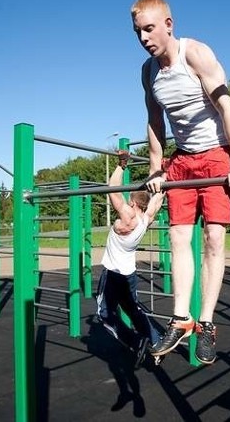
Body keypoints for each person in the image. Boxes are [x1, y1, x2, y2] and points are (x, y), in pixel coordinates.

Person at [131, 0, 230, 364]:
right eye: (138, 31)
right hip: (182, 161)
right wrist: (156, 170)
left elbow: (227, 108)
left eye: (150, 28)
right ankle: (181, 318)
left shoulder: (195, 54)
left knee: (214, 238)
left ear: (169, 24)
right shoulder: (148, 72)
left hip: (216, 155)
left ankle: (207, 323)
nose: (144, 37)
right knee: (177, 235)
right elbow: (155, 123)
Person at [96, 150, 164, 368]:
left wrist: (122, 165)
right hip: (129, 274)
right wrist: (165, 175)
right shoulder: (147, 218)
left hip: (113, 274)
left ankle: (137, 342)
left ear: (133, 202)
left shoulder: (129, 217)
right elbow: (158, 198)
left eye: (130, 197)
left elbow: (112, 189)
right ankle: (157, 342)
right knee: (133, 310)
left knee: (104, 315)